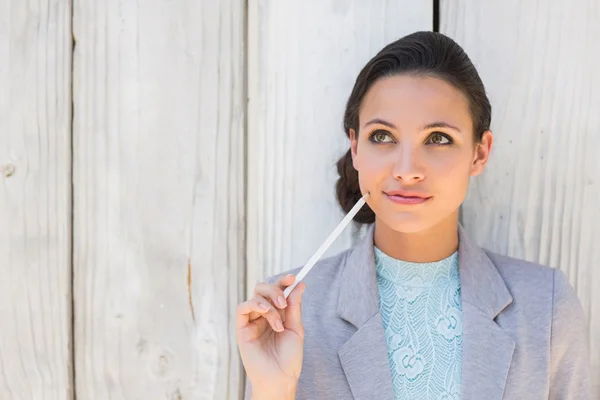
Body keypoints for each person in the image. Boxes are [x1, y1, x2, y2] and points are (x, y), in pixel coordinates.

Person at [235, 31, 592, 400]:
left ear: (479, 153)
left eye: (437, 138)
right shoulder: (287, 316)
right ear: (355, 148)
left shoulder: (546, 307)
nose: (406, 170)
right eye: (383, 136)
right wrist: (273, 389)